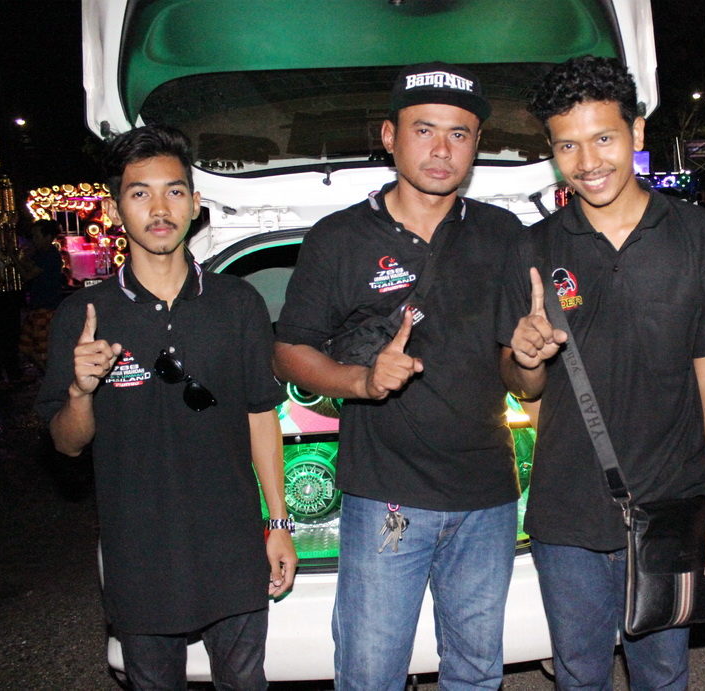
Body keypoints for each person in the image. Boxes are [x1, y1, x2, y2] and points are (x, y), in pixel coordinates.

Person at [496, 56, 705, 690]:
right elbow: (522, 385)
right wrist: (524, 358)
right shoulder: (534, 247)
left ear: (637, 131)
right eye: (567, 145)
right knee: (578, 673)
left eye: (603, 138)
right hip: (568, 508)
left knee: (662, 672)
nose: (588, 162)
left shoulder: (696, 235)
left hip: (673, 500)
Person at [273, 63, 522, 690]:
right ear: (389, 136)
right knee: (370, 673)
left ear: (477, 145)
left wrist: (530, 355)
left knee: (477, 672)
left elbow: (523, 375)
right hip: (386, 496)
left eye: (459, 134)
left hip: (488, 497)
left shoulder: (502, 234)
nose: (441, 150)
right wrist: (362, 381)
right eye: (424, 130)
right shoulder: (339, 238)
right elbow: (289, 352)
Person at [35, 124, 296, 690]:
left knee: (245, 682)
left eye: (174, 191)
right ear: (115, 208)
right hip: (139, 555)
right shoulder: (84, 316)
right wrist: (80, 391)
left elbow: (260, 416)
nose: (159, 209)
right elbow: (66, 443)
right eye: (140, 193)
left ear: (195, 204)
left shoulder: (237, 303)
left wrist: (278, 523)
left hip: (232, 547)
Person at [19, 218, 65, 371]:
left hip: (46, 307)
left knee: (42, 350)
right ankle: (48, 376)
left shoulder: (50, 255)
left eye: (36, 236)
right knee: (26, 346)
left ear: (48, 237)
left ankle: (51, 377)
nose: (33, 240)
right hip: (38, 306)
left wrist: (14, 259)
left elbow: (28, 275)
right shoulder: (41, 254)